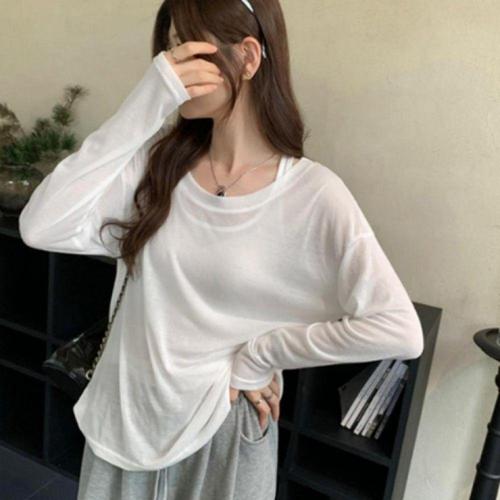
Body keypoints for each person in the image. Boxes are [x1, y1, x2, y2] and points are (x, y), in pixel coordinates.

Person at [18, 0, 424, 499]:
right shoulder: (155, 165)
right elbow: (40, 226)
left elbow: (398, 329)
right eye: (167, 51)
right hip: (124, 418)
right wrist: (145, 104)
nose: (170, 65)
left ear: (247, 57)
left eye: (185, 48)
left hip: (222, 426)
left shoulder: (313, 194)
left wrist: (261, 356)